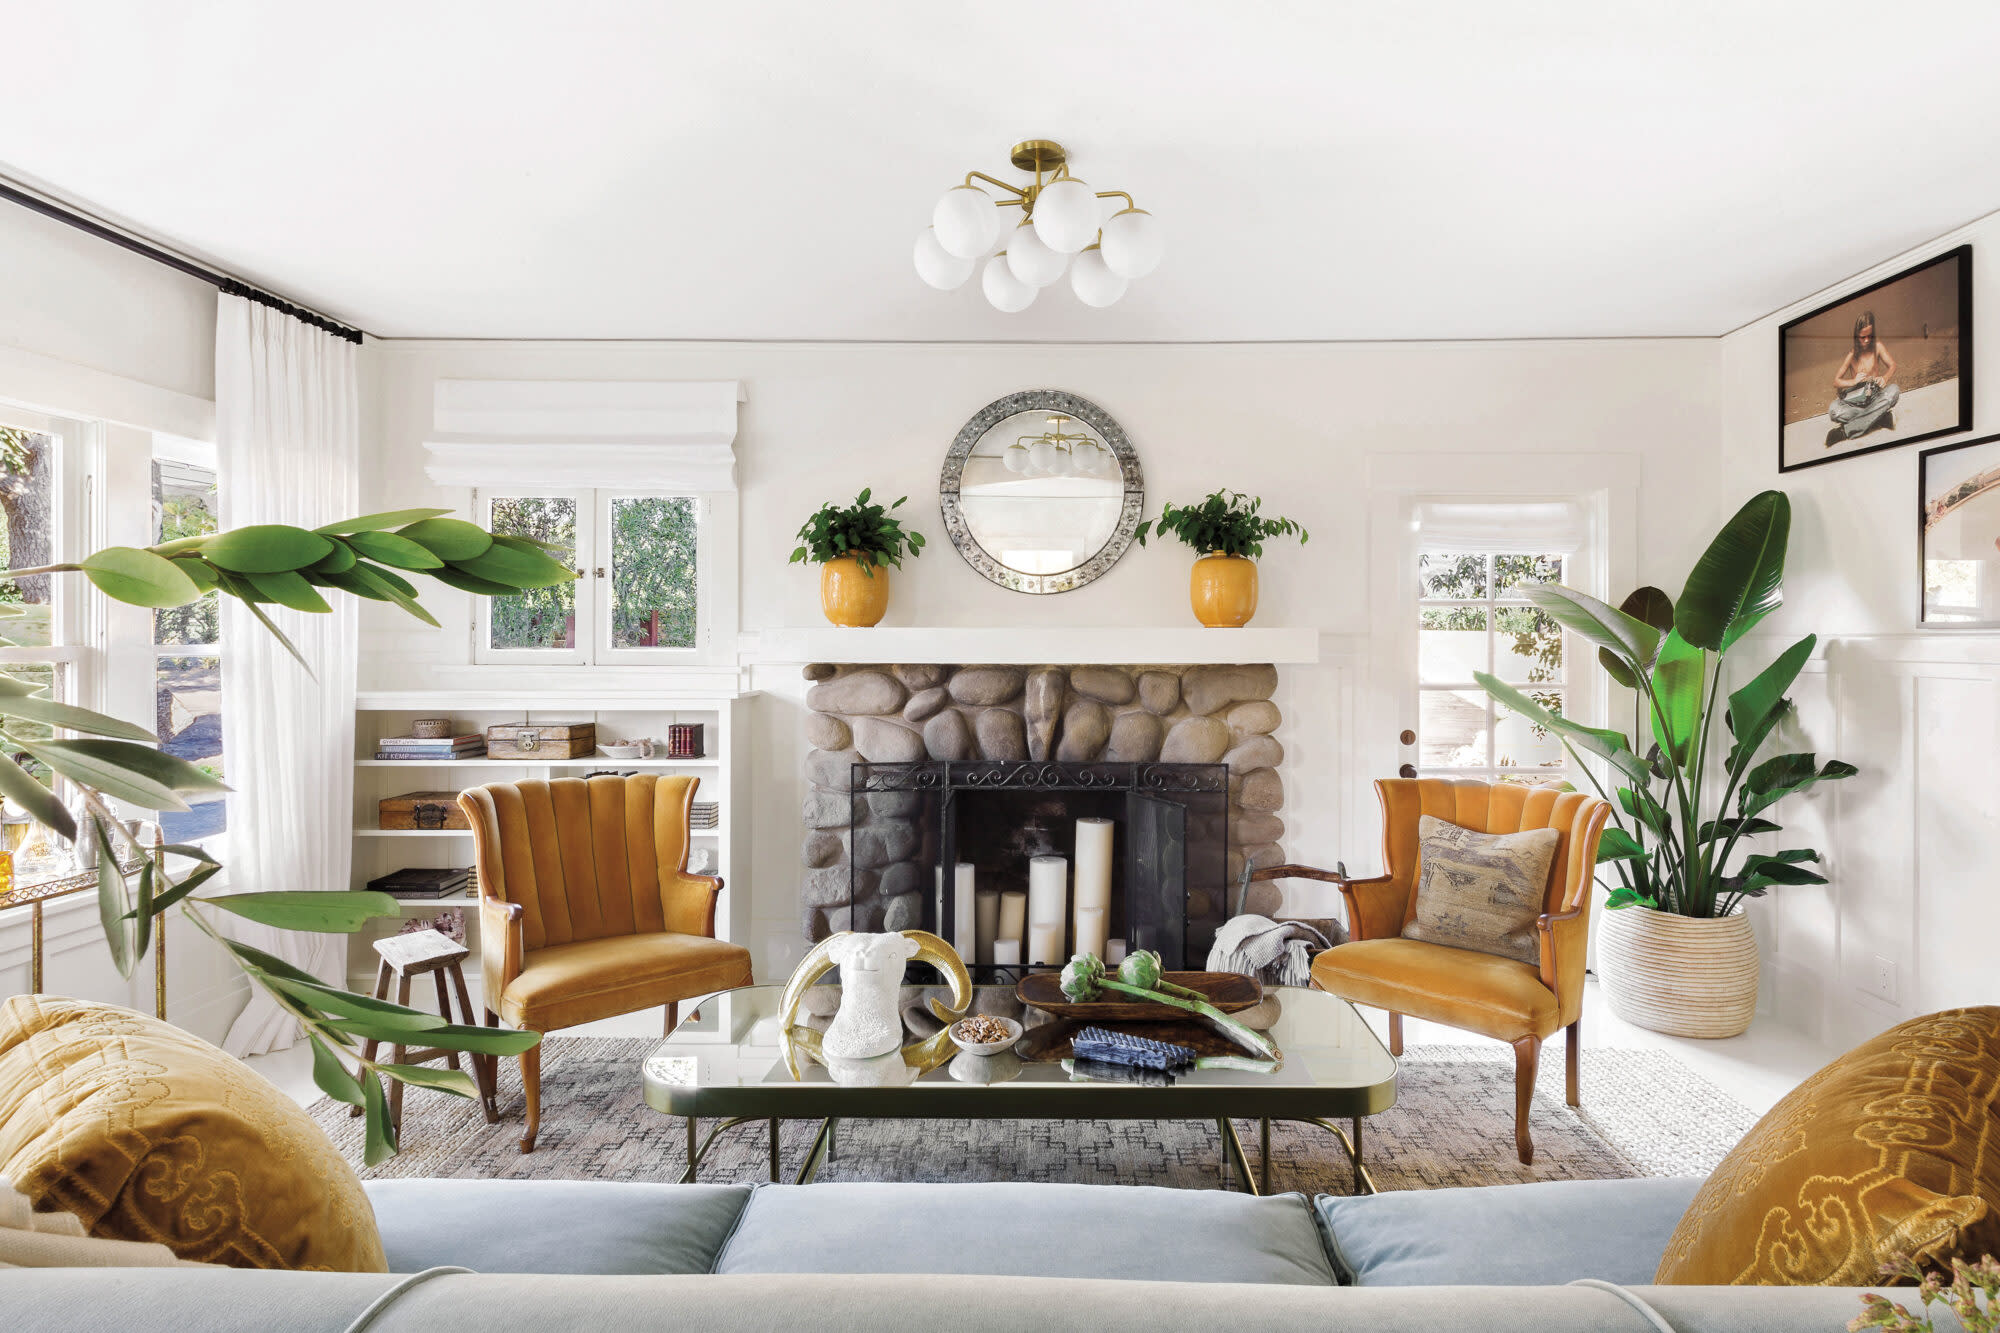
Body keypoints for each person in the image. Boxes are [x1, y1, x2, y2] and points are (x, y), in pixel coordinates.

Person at [1827, 310, 1901, 442]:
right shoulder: (1852, 353)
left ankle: (1846, 431)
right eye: (1862, 337)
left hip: (1874, 396)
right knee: (1834, 411)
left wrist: (1885, 378)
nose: (1866, 340)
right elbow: (1836, 382)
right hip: (1855, 401)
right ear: (1856, 336)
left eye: (1870, 336)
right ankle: (1880, 417)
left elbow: (1893, 365)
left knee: (1894, 390)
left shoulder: (1878, 346)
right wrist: (1853, 381)